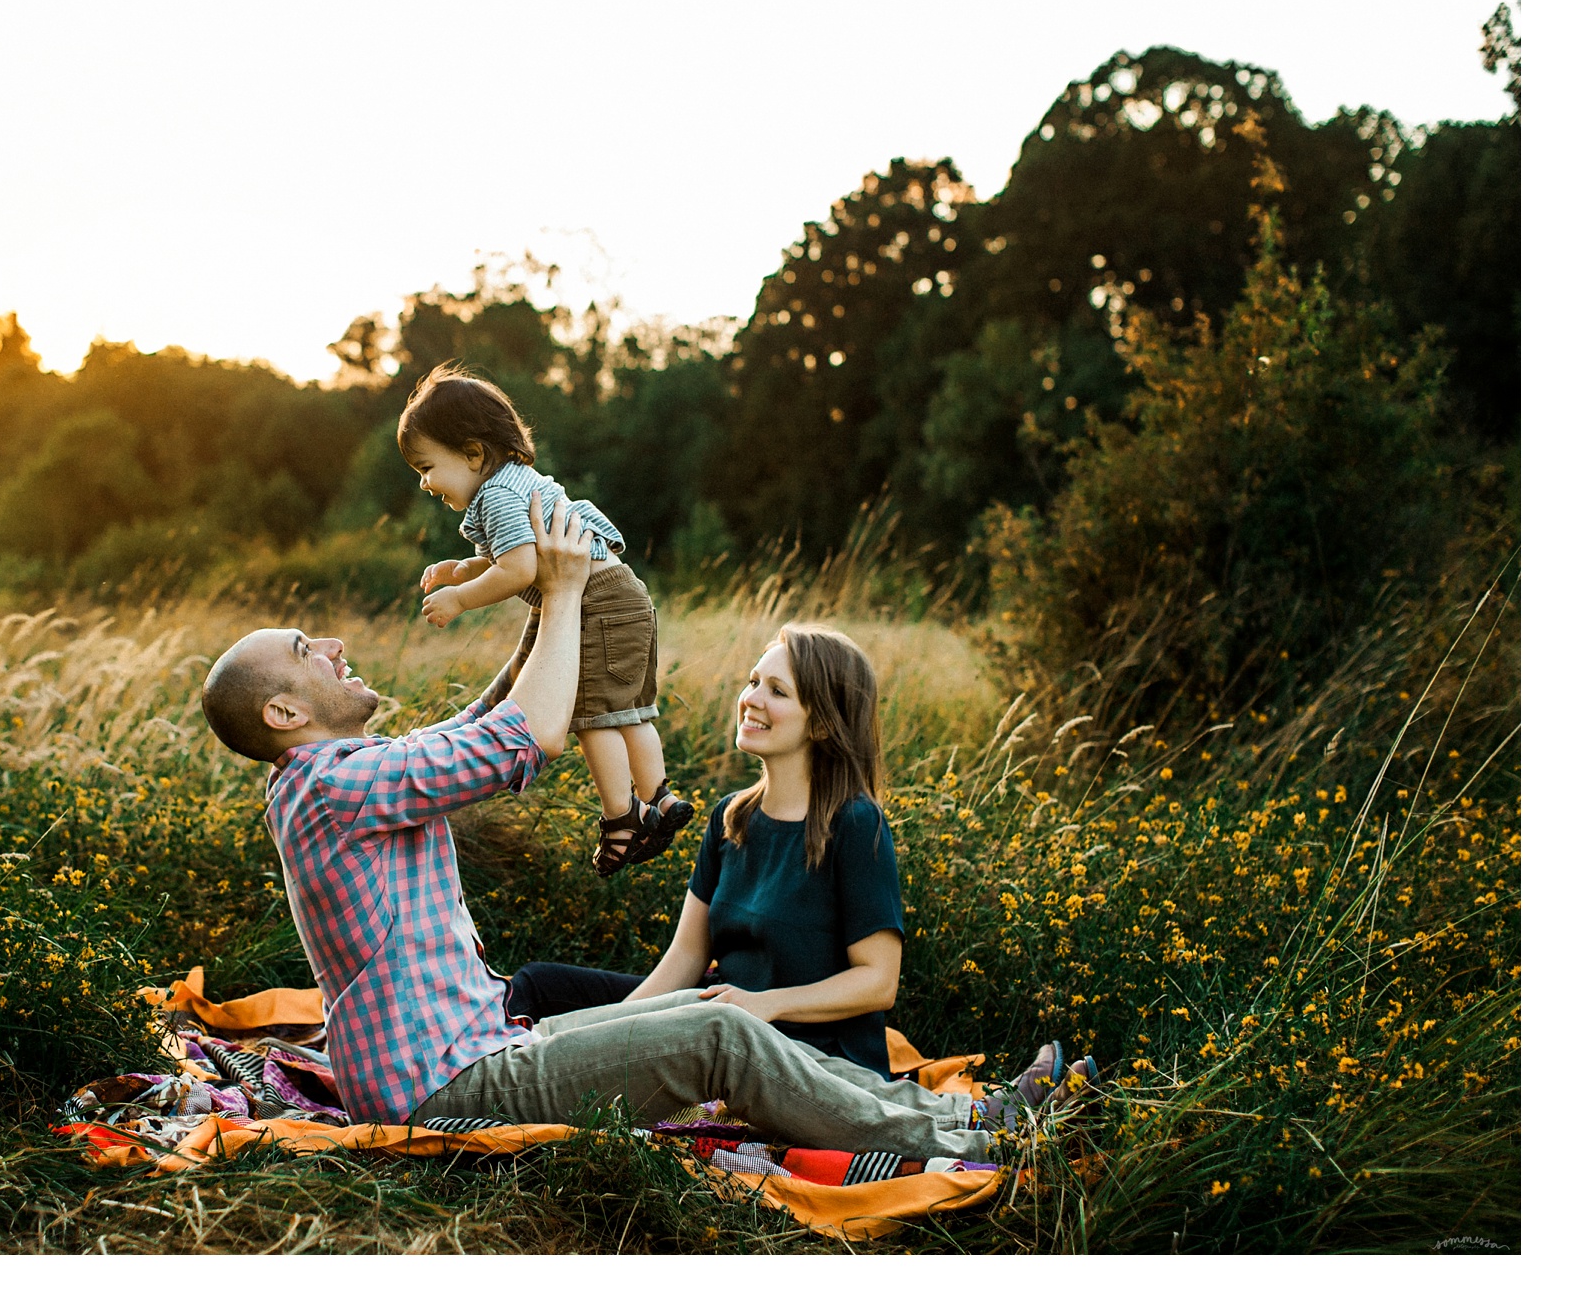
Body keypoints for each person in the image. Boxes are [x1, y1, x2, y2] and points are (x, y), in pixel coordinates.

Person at [200, 497, 1061, 1157]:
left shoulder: (339, 778)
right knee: (721, 1031)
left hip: (476, 1046)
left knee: (700, 1005)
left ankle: (969, 1109)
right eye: (310, 650)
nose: (337, 645)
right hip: (443, 1087)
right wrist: (570, 592)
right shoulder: (336, 787)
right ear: (283, 709)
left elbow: (477, 721)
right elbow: (521, 739)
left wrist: (545, 612)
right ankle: (970, 1143)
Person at [505, 623, 1100, 1133]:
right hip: (724, 1029)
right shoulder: (730, 818)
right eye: (752, 682)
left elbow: (877, 983)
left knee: (783, 1069)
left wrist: (765, 1006)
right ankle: (518, 1055)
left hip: (812, 1052)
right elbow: (683, 960)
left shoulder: (854, 825)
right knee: (539, 990)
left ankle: (987, 1118)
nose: (751, 699)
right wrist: (609, 1041)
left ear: (822, 724)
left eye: (778, 691)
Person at [397, 362, 693, 877]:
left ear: (472, 453)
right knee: (630, 712)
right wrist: (460, 567)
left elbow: (519, 568)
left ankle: (621, 818)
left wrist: (461, 598)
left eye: (426, 467)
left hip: (595, 599)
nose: (424, 484)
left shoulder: (497, 495)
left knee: (590, 715)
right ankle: (660, 800)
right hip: (623, 594)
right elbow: (513, 552)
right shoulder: (514, 484)